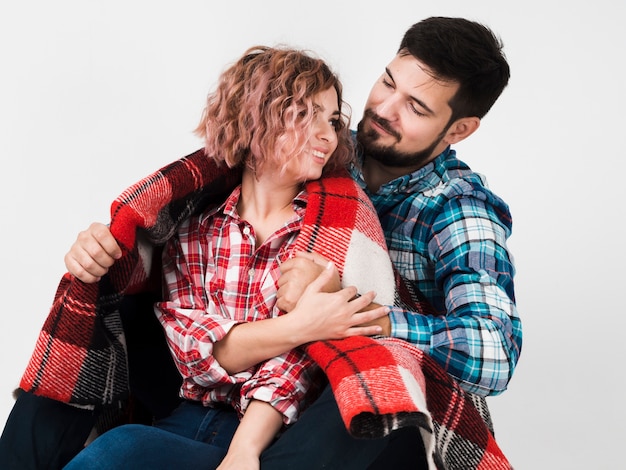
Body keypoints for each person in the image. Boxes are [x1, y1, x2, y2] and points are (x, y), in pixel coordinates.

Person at [1, 16, 522, 470]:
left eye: (416, 108)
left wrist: (361, 314)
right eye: (387, 82)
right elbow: (210, 182)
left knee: (377, 371)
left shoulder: (458, 211)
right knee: (102, 301)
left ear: (460, 129)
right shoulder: (324, 152)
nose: (383, 109)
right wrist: (113, 245)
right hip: (225, 370)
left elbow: (495, 352)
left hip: (340, 408)